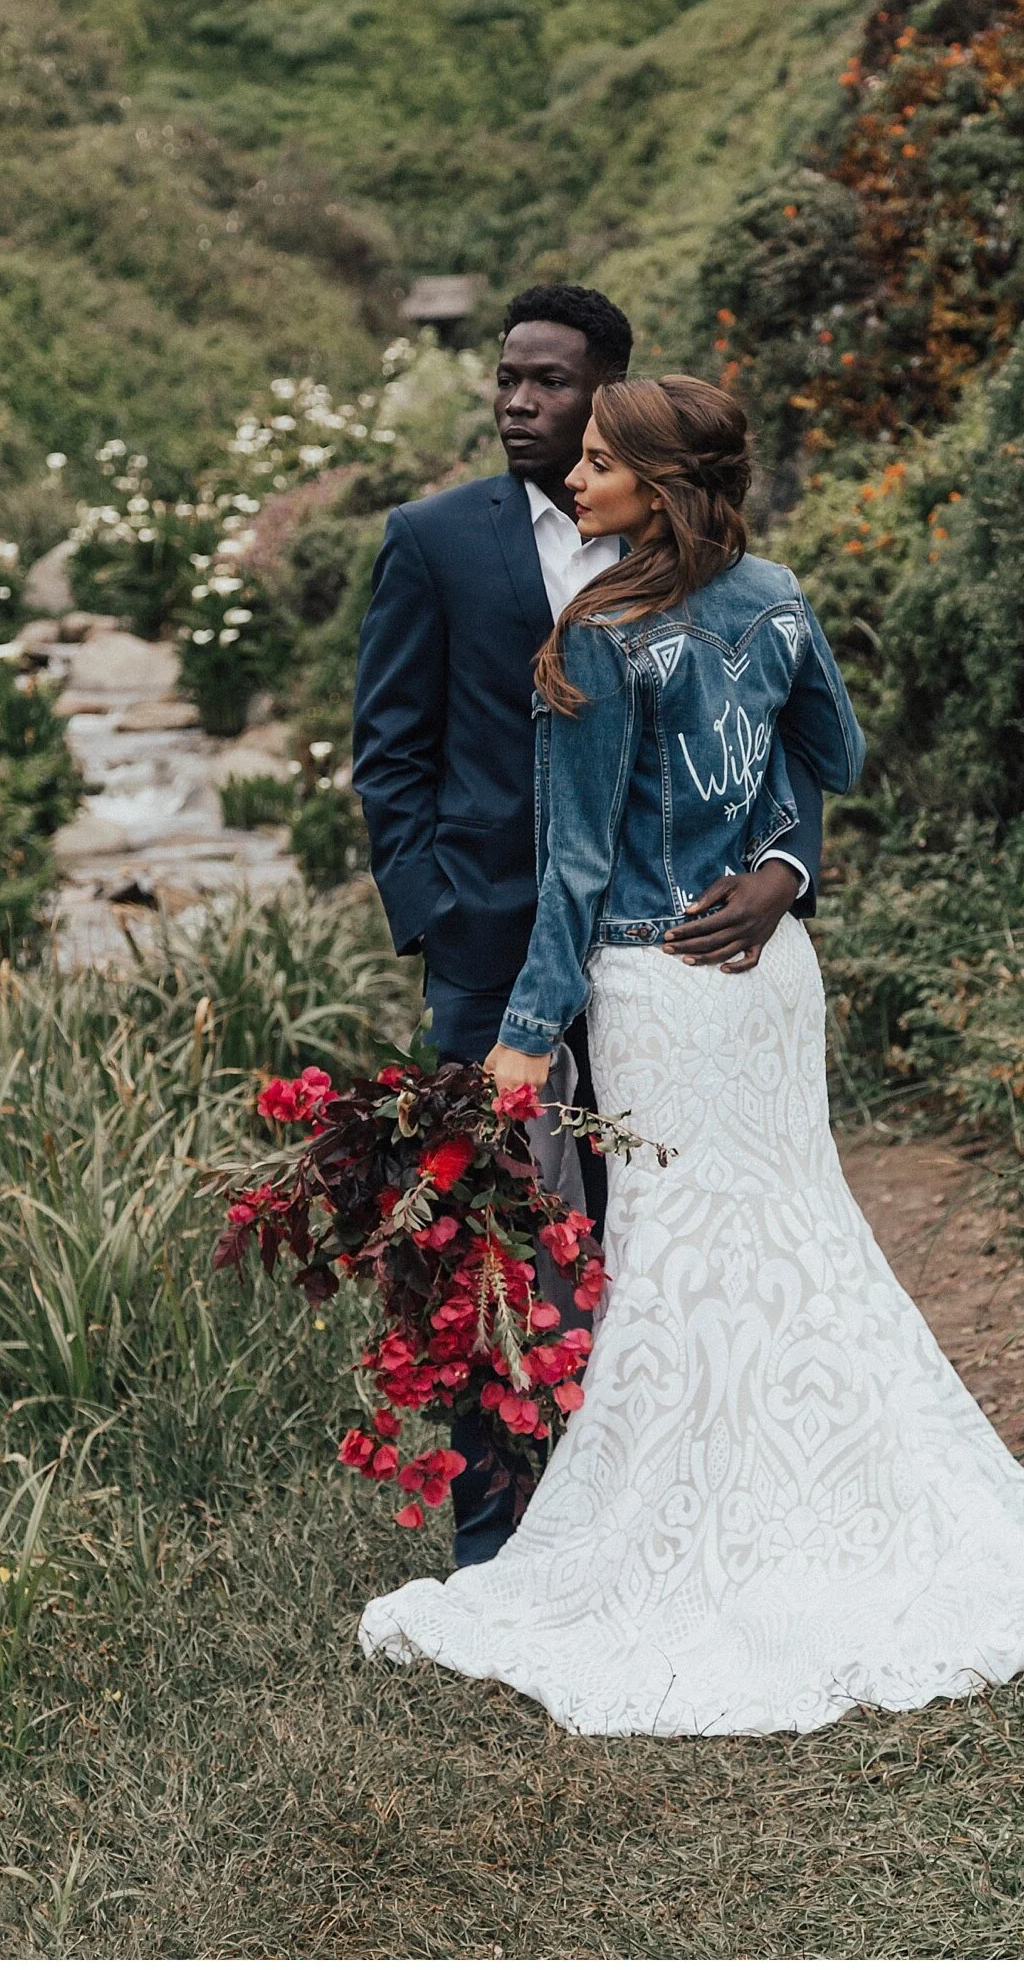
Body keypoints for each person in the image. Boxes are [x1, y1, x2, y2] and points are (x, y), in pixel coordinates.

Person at [359, 374, 1024, 1737]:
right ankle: (849, 1506)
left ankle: (696, 1535)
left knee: (682, 1255)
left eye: (606, 462)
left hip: (659, 979)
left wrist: (517, 1036)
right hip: (767, 975)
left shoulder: (600, 636)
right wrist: (784, 865)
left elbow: (570, 870)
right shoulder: (779, 598)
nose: (577, 476)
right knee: (799, 1235)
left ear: (662, 489)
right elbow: (836, 753)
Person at [352, 286, 824, 1566]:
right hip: (492, 944)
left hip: (669, 963)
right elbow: (388, 756)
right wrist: (438, 916)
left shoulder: (692, 554)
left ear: (608, 393)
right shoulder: (435, 540)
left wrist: (788, 865)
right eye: (506, 378)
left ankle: (652, 1514)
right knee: (495, 1241)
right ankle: (498, 1541)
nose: (516, 401)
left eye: (549, 382)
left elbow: (776, 743)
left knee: (655, 1235)